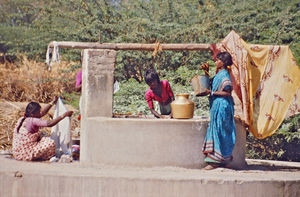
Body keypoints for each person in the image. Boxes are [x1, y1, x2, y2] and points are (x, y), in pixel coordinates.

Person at [201, 51, 236, 170]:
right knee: (219, 131)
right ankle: (222, 159)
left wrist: (211, 93)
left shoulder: (225, 75)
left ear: (224, 62)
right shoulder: (219, 74)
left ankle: (215, 161)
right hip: (217, 105)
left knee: (219, 131)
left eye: (218, 59)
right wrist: (206, 72)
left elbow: (227, 92)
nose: (215, 61)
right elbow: (210, 84)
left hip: (222, 106)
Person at [12, 96, 73, 161]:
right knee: (51, 142)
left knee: (42, 136)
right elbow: (50, 124)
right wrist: (64, 115)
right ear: (33, 114)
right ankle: (45, 157)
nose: (40, 113)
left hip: (17, 153)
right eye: (38, 112)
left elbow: (42, 113)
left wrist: (52, 102)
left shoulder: (23, 119)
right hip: (25, 154)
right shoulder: (33, 120)